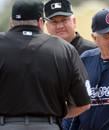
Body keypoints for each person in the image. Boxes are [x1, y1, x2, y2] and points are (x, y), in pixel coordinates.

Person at [0, 0, 91, 130]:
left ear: (11, 22)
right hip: (48, 125)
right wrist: (57, 115)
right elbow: (83, 104)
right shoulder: (64, 48)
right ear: (41, 22)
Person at [43, 0, 96, 129]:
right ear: (46, 25)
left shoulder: (94, 51)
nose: (59, 25)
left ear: (74, 21)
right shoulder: (42, 55)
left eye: (64, 20)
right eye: (54, 21)